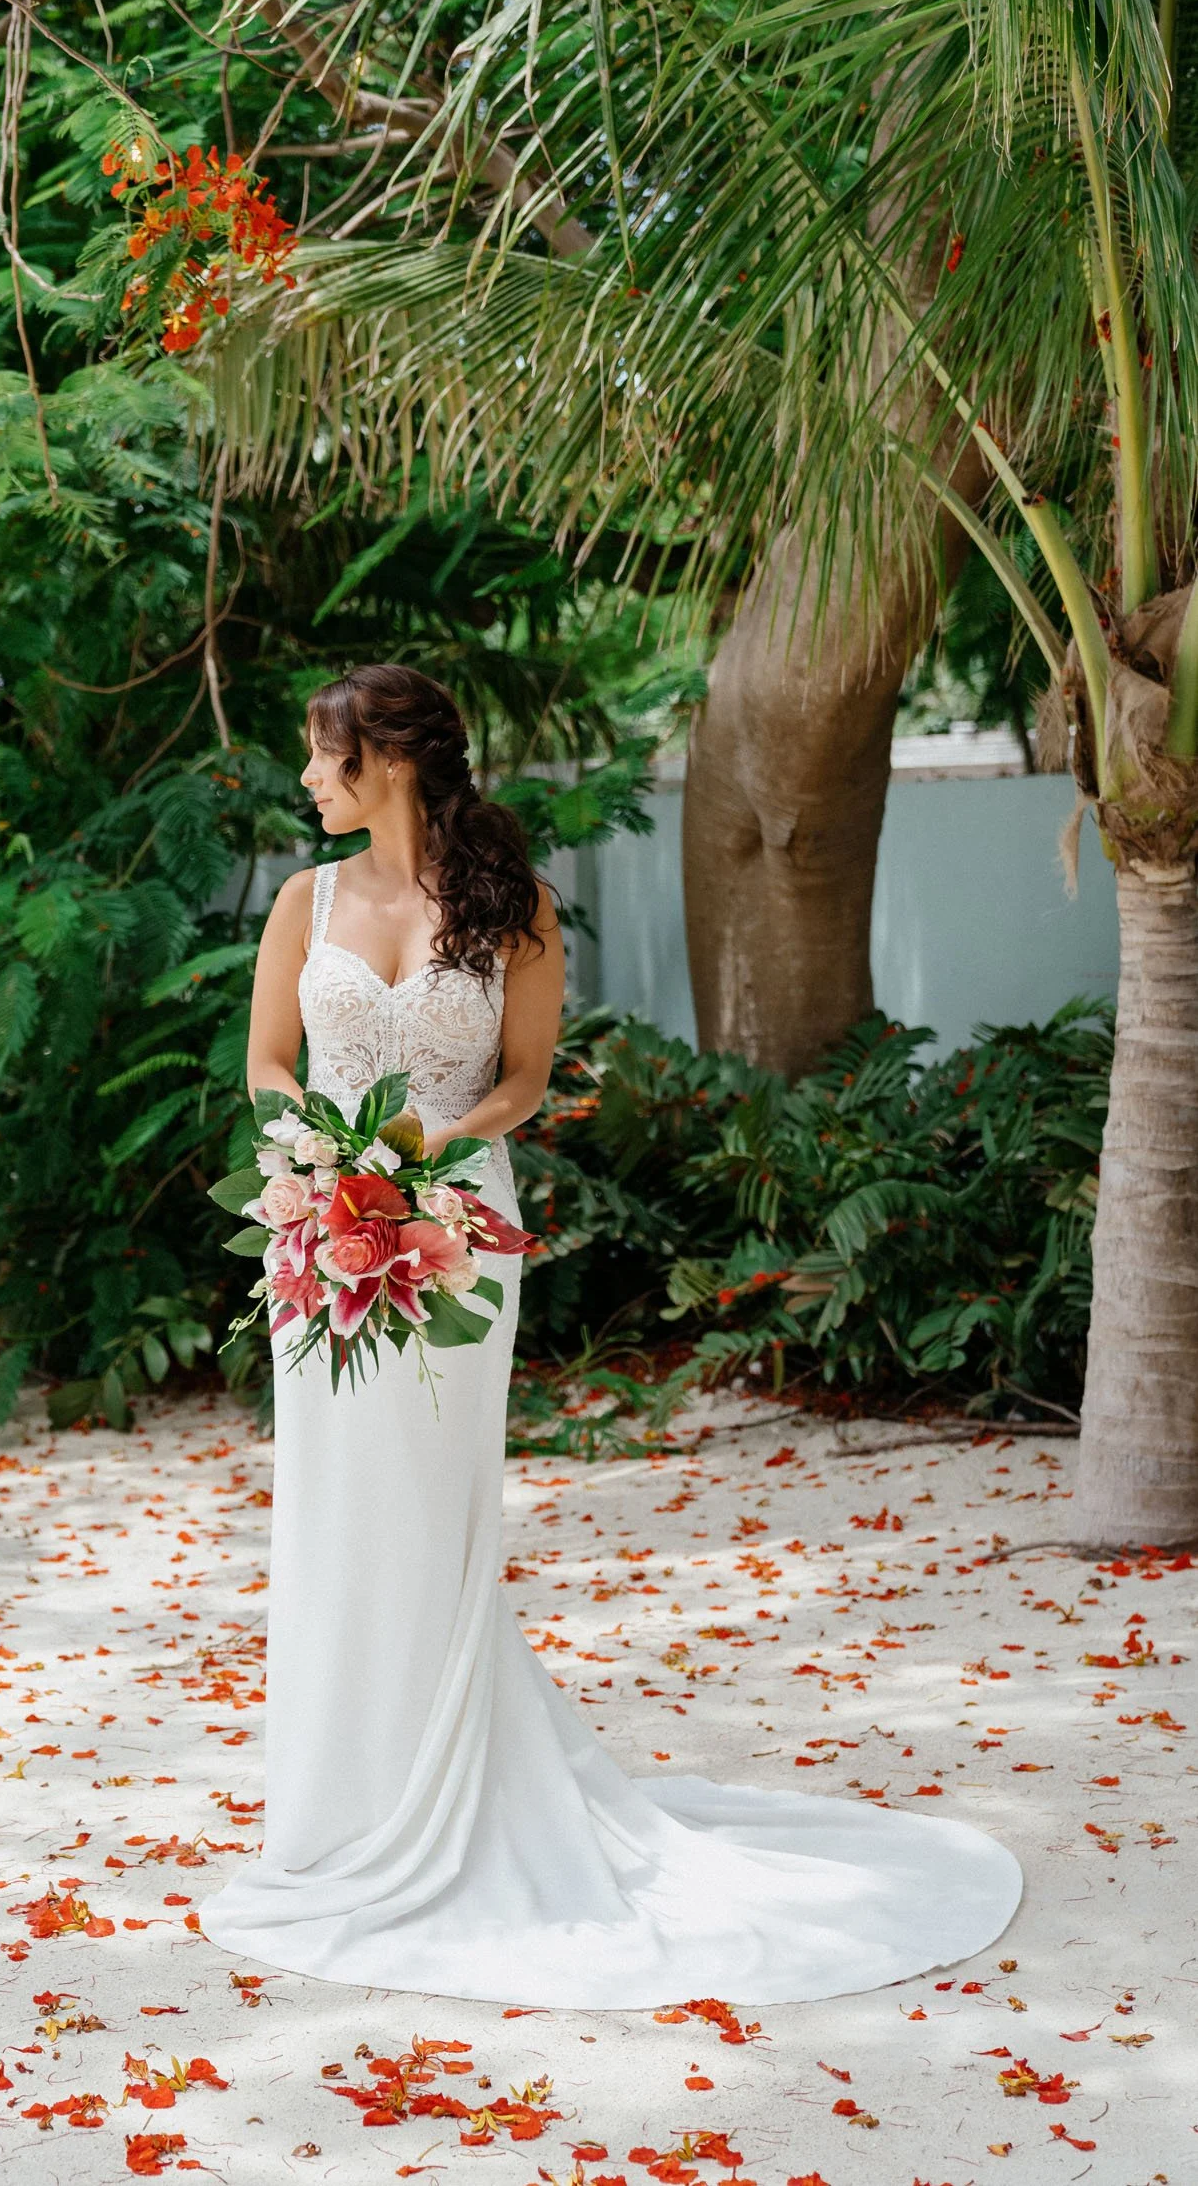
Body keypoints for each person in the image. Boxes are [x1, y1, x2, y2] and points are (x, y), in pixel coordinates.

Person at [201, 661, 1021, 2008]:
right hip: (319, 1233)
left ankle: (455, 1789)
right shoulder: (306, 899)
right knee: (336, 1504)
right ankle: (339, 1811)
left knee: (433, 1502)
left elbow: (523, 1080)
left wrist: (426, 1151)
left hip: (457, 1231)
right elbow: (268, 1065)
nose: (304, 779)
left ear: (388, 760)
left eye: (320, 755)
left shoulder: (506, 906)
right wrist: (317, 1152)